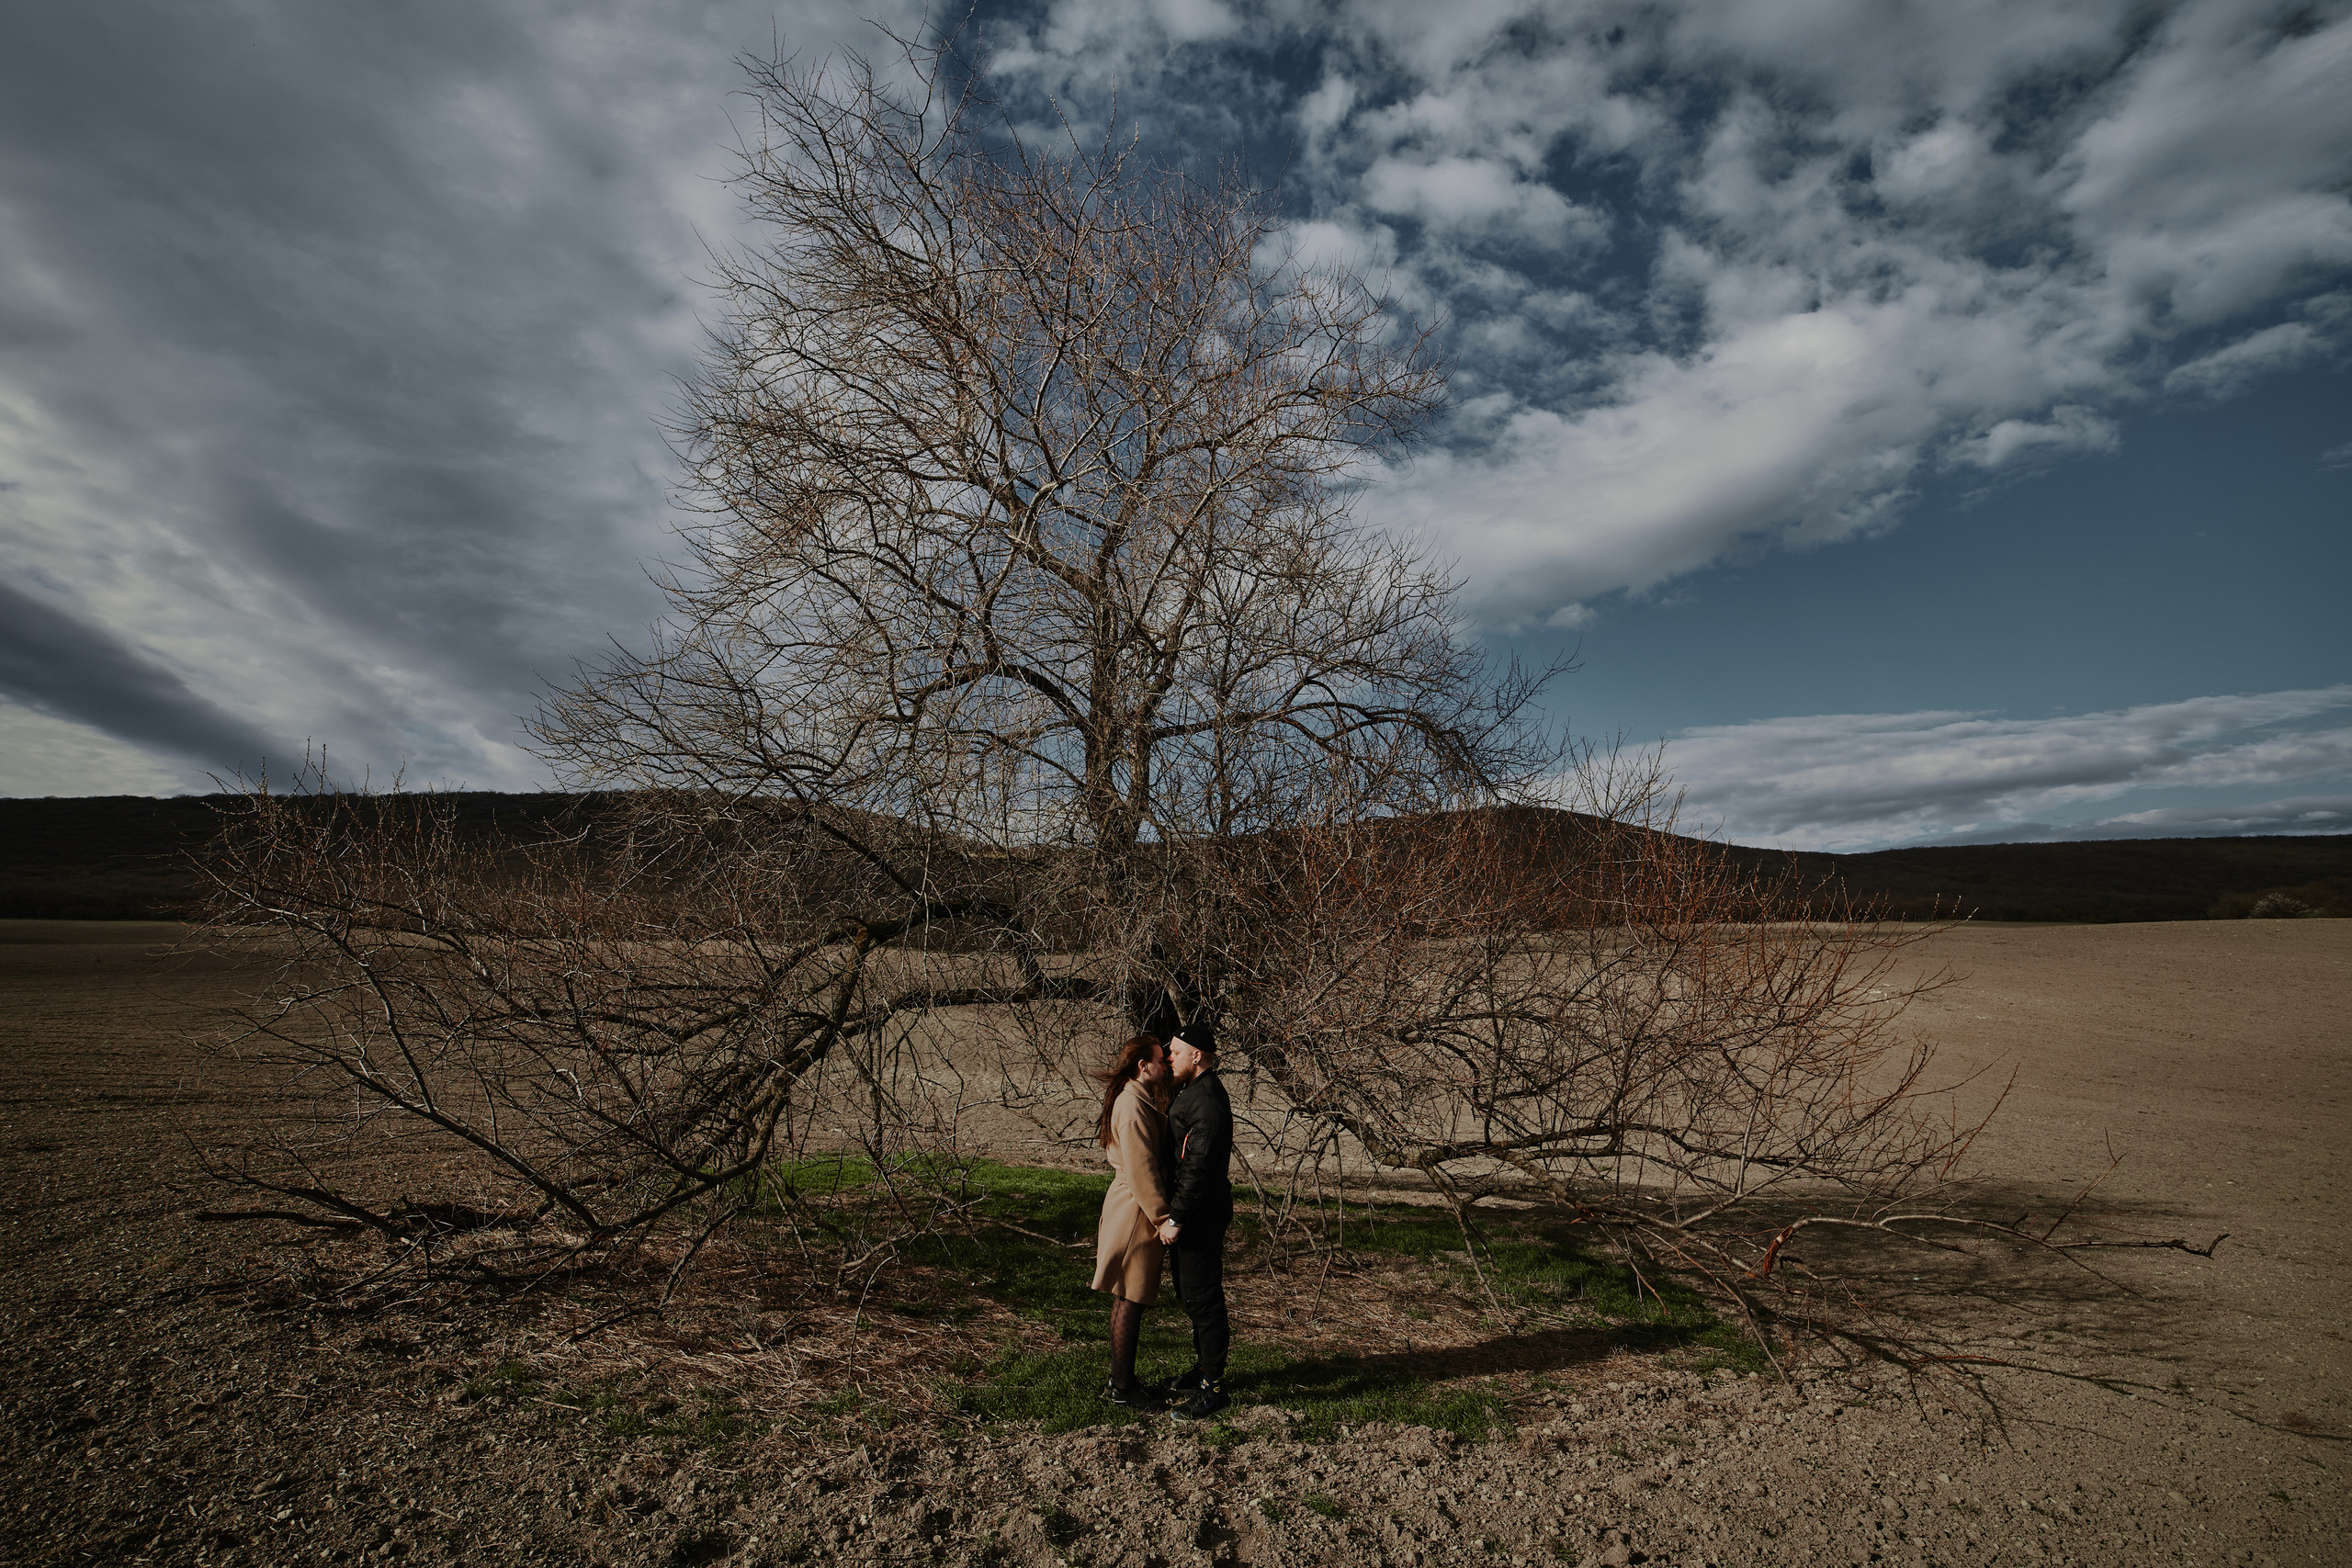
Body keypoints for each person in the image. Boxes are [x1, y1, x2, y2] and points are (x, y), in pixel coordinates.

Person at [1089, 1033, 1174, 1408]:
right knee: (1131, 1299)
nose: (1166, 1064)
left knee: (1126, 1296)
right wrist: (1163, 1218)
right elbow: (1142, 1169)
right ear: (1144, 1066)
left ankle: (1120, 1382)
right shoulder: (1132, 1105)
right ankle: (1123, 1390)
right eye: (1160, 1059)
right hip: (1136, 1212)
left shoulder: (1133, 1098)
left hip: (1131, 1206)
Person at [1162, 1015, 1233, 1422]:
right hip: (1196, 1213)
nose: (1170, 1057)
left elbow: (1199, 1167)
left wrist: (1177, 1217)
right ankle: (1203, 1369)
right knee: (1191, 1296)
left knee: (1203, 1300)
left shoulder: (1205, 1100)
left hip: (1199, 1216)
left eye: (1175, 1051)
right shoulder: (1195, 1089)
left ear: (1197, 1054)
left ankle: (1214, 1388)